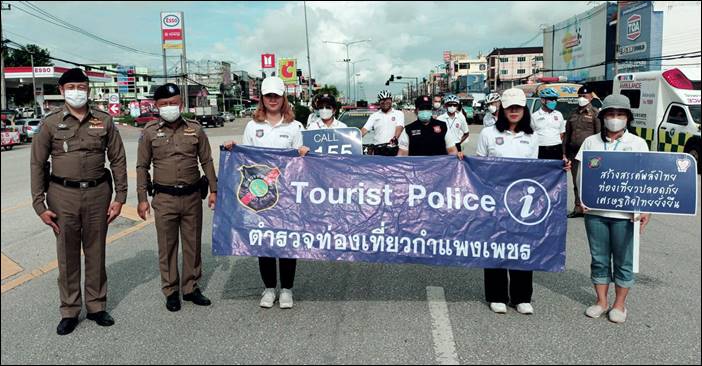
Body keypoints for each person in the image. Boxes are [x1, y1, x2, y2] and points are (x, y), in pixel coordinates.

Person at [30, 68, 128, 335]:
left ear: (88, 90)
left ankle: (96, 306)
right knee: (67, 255)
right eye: (71, 86)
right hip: (62, 195)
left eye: (82, 86)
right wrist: (39, 205)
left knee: (96, 252)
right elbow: (38, 164)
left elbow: (118, 159)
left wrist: (120, 197)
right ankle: (70, 310)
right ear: (61, 91)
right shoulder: (50, 123)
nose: (77, 91)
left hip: (98, 193)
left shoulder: (104, 121)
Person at [476, 88, 570, 315]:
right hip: (495, 200)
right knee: (496, 245)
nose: (514, 111)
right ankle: (497, 295)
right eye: (509, 107)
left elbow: (537, 170)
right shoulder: (488, 134)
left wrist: (559, 167)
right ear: (502, 109)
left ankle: (521, 296)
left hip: (522, 202)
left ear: (524, 109)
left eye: (518, 107)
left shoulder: (532, 137)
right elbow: (478, 167)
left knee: (522, 245)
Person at [223, 76, 309, 309]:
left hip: (287, 194)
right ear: (262, 98)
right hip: (260, 194)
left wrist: (303, 153)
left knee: (287, 241)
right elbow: (245, 158)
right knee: (265, 243)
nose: (273, 100)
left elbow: (300, 163)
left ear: (284, 98)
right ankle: (269, 288)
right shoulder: (253, 126)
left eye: (277, 96)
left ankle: (287, 289)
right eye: (268, 96)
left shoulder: (294, 126)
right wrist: (232, 150)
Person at [136, 83, 217, 312]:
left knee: (192, 244)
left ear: (181, 103)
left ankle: (190, 287)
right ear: (156, 106)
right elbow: (142, 166)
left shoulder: (195, 129)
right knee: (167, 246)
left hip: (192, 196)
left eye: (173, 103)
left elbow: (207, 161)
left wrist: (214, 189)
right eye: (164, 104)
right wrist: (142, 198)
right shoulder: (150, 131)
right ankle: (171, 290)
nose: (169, 107)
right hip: (164, 197)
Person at [575, 94, 650, 324]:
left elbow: (648, 179)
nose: (615, 119)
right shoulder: (591, 142)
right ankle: (601, 302)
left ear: (627, 117)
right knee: (598, 258)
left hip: (625, 215)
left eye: (620, 114)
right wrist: (582, 199)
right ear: (603, 116)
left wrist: (645, 209)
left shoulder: (638, 144)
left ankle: (619, 305)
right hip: (595, 213)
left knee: (623, 259)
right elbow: (582, 174)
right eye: (610, 114)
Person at [564, 85, 600, 218]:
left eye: (584, 96)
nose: (581, 99)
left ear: (591, 97)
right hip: (574, 153)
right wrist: (564, 153)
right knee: (576, 181)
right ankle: (577, 207)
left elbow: (599, 134)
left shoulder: (596, 113)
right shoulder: (572, 113)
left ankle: (590, 207)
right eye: (579, 96)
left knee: (589, 181)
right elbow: (567, 135)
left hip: (589, 154)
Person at [398, 95, 462, 158]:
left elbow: (452, 151)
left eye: (428, 108)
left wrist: (458, 156)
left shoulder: (443, 126)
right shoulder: (408, 129)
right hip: (417, 167)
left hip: (439, 167)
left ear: (431, 110)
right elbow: (402, 155)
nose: (425, 110)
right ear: (416, 110)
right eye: (422, 108)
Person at [361, 90, 404, 156]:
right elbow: (364, 130)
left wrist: (395, 138)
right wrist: (353, 139)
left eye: (387, 100)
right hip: (378, 149)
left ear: (391, 101)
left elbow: (399, 127)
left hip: (393, 148)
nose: (385, 102)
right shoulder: (374, 116)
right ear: (379, 102)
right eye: (382, 100)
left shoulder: (399, 114)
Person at [531, 87, 566, 160]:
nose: (554, 101)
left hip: (557, 149)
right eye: (551, 99)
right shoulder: (534, 116)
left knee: (556, 170)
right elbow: (531, 134)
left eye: (555, 99)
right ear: (543, 100)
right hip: (541, 149)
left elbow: (561, 133)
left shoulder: (559, 114)